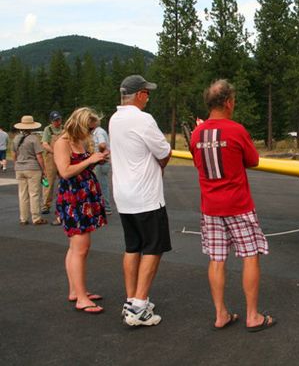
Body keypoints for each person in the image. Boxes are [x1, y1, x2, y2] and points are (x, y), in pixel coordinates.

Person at [190, 79, 275, 332]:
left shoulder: (197, 133)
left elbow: (198, 163)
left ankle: (220, 314)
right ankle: (252, 316)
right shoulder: (236, 130)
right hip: (238, 204)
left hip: (210, 207)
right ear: (228, 102)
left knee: (216, 259)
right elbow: (253, 160)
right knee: (250, 255)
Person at [109, 74, 172, 327]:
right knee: (154, 248)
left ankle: (132, 300)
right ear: (139, 95)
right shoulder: (143, 119)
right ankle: (139, 304)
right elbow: (164, 153)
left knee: (132, 246)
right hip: (145, 195)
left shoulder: (114, 119)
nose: (148, 97)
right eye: (147, 93)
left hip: (123, 194)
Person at [54, 107, 108, 314]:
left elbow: (80, 167)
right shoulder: (62, 143)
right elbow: (65, 172)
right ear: (80, 125)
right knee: (81, 248)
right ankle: (82, 298)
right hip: (74, 199)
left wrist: (96, 160)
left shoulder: (79, 141)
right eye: (90, 128)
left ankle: (76, 291)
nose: (91, 133)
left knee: (75, 248)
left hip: (84, 196)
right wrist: (89, 160)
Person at [13, 115, 47, 225]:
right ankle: (36, 218)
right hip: (33, 168)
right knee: (34, 193)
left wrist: (16, 165)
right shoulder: (34, 139)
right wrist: (44, 170)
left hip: (20, 168)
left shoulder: (16, 138)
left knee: (22, 194)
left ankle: (23, 218)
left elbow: (14, 154)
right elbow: (39, 156)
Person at [41, 111, 63, 225]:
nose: (58, 122)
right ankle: (46, 205)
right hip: (51, 158)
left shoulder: (64, 129)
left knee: (64, 180)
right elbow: (44, 143)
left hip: (63, 157)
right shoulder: (48, 130)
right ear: (51, 121)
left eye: (59, 120)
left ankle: (63, 202)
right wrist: (54, 151)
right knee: (49, 182)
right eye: (55, 120)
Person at [91, 120, 112, 215]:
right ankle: (104, 207)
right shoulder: (100, 131)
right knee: (103, 184)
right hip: (104, 161)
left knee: (101, 185)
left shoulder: (98, 132)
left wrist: (99, 154)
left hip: (101, 162)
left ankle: (105, 207)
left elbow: (102, 144)